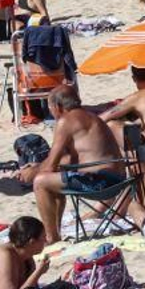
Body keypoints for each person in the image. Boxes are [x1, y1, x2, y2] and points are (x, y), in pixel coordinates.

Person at [26, 87, 125, 244]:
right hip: (119, 181)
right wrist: (38, 166)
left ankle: (52, 237)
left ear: (58, 107)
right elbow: (65, 160)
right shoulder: (92, 117)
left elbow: (50, 166)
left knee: (40, 182)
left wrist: (31, 173)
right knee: (53, 180)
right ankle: (55, 232)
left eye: (50, 108)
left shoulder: (66, 121)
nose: (51, 112)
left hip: (100, 183)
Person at [98, 66, 145, 148]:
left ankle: (133, 156)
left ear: (134, 78)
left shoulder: (138, 97)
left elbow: (104, 117)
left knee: (111, 124)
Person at [0, 217, 50, 289]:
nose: (46, 241)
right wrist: (38, 272)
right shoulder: (6, 255)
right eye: (43, 238)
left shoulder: (26, 255)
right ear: (32, 242)